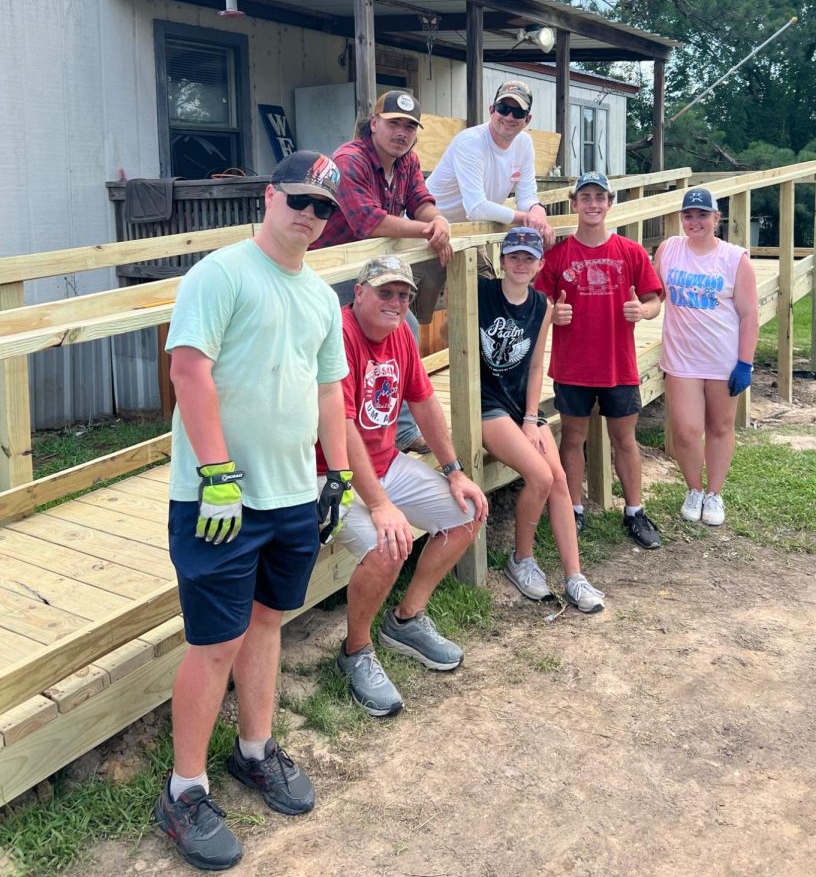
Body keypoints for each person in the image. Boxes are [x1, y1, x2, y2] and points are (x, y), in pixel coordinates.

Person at [155, 150, 352, 872]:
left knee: (268, 621)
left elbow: (330, 389)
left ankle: (254, 749)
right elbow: (188, 371)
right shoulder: (223, 273)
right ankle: (184, 790)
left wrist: (335, 476)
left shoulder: (322, 297)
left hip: (293, 493)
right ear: (269, 197)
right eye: (299, 198)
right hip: (218, 500)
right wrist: (215, 474)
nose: (309, 214)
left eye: (323, 207)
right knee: (214, 642)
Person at [321, 255, 489, 718]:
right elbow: (343, 425)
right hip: (330, 473)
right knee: (388, 545)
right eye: (385, 292)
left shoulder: (400, 333)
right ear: (358, 292)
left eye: (403, 295)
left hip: (385, 460)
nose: (395, 303)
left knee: (470, 510)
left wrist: (455, 469)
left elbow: (425, 401)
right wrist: (379, 504)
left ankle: (406, 619)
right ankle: (356, 651)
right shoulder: (340, 332)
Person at [312, 89, 451, 453]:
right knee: (339, 352)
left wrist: (438, 221)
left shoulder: (408, 161)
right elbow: (367, 222)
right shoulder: (349, 158)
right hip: (332, 271)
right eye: (393, 124)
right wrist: (427, 230)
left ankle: (399, 431)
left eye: (409, 126)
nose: (401, 133)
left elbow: (421, 202)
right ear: (374, 124)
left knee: (400, 331)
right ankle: (330, 438)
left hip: (372, 270)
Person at [478, 227, 605, 613]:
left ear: (540, 265)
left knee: (561, 480)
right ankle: (522, 558)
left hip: (521, 408)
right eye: (513, 256)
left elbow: (535, 366)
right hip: (487, 405)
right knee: (541, 476)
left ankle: (574, 576)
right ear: (502, 261)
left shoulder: (542, 306)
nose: (520, 264)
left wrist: (532, 419)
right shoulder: (481, 294)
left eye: (528, 258)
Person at [535, 172, 664, 548]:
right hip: (572, 364)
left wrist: (643, 310)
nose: (593, 204)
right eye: (585, 197)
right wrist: (551, 314)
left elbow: (656, 299)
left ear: (610, 204)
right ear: (574, 204)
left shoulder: (631, 251)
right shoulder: (558, 255)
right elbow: (539, 301)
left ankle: (635, 511)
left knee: (624, 439)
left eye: (600, 198)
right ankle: (573, 509)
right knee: (573, 437)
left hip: (617, 364)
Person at [653, 187, 760, 526]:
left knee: (719, 426)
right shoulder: (669, 250)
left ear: (717, 218)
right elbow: (653, 293)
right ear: (681, 218)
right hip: (682, 357)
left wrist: (745, 362)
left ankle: (714, 493)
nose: (695, 221)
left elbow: (749, 314)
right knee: (685, 430)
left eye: (702, 215)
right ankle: (694, 488)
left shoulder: (734, 258)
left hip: (722, 358)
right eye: (688, 215)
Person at [426, 79, 554, 247]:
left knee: (489, 274)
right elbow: (476, 208)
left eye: (517, 112)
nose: (509, 117)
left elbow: (526, 196)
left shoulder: (524, 143)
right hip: (427, 233)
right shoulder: (470, 141)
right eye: (503, 109)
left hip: (468, 234)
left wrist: (537, 209)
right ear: (491, 110)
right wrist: (527, 218)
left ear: (527, 119)